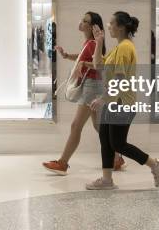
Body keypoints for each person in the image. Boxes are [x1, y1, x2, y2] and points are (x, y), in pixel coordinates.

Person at [86, 11, 159, 190]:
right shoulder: (119, 47)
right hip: (114, 101)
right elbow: (98, 66)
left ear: (121, 27)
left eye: (111, 23)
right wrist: (99, 43)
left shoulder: (125, 47)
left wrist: (103, 98)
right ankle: (107, 180)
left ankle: (155, 164)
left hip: (122, 102)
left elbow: (121, 79)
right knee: (105, 138)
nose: (108, 26)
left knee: (118, 143)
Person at [42, 12, 126, 175]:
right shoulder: (89, 43)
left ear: (93, 26)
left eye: (85, 21)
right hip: (92, 86)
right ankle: (118, 157)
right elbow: (83, 57)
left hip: (92, 87)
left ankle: (63, 163)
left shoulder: (94, 43)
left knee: (76, 126)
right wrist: (67, 56)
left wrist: (83, 64)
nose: (81, 22)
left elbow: (100, 64)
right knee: (98, 126)